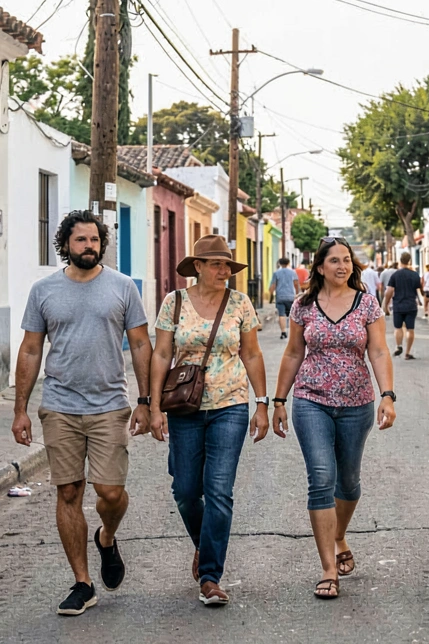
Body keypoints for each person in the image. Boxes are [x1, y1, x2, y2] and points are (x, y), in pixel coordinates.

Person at [11, 210, 153, 616]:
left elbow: (140, 344)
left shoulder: (122, 287)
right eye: (81, 240)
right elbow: (31, 349)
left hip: (110, 405)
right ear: (65, 245)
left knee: (110, 492)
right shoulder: (44, 291)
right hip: (60, 406)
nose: (89, 246)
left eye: (94, 240)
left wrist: (145, 401)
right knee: (69, 491)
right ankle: (82, 583)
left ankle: (106, 536)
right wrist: (20, 409)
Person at [147, 235, 269, 607]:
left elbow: (251, 354)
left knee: (218, 490)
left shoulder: (240, 303)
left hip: (230, 405)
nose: (223, 271)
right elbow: (161, 354)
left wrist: (262, 403)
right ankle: (204, 543)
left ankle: (210, 576)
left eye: (227, 265)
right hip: (184, 407)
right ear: (197, 267)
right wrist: (153, 407)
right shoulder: (174, 302)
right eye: (216, 264)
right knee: (185, 491)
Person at [273, 236, 396, 599]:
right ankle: (328, 568)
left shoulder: (366, 303)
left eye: (346, 260)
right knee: (321, 478)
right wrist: (278, 400)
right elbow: (293, 353)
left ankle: (339, 535)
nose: (342, 266)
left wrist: (387, 395)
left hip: (357, 404)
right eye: (334, 261)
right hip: (311, 400)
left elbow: (378, 351)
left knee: (349, 482)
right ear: (320, 267)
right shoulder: (303, 305)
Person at [382, 252, 423, 359]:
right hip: (411, 305)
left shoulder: (395, 275)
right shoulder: (415, 275)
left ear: (400, 261)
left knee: (398, 327)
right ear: (410, 261)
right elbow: (420, 290)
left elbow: (389, 291)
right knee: (410, 329)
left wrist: (386, 305)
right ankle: (407, 352)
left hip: (398, 305)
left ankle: (399, 345)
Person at [269, 258, 301, 339]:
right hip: (291, 296)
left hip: (280, 296)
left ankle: (283, 332)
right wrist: (297, 294)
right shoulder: (293, 272)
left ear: (279, 263)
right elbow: (296, 284)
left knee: (281, 314)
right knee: (293, 315)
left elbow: (273, 285)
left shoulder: (276, 273)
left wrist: (271, 295)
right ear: (288, 263)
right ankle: (294, 333)